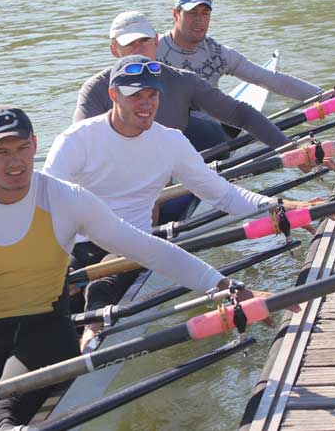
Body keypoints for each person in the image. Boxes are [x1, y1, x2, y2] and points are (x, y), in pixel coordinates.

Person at [0, 105, 257, 431]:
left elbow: (149, 249)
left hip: (46, 330)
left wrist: (225, 285)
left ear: (35, 145)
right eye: (1, 152)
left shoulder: (65, 198)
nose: (15, 162)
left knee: (5, 409)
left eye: (22, 148)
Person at [44, 55, 316, 351]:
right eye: (135, 96)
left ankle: (91, 332)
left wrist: (281, 207)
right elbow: (44, 211)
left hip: (134, 248)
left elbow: (224, 195)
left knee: (104, 283)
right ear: (113, 96)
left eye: (152, 95)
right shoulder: (75, 141)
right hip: (75, 248)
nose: (146, 104)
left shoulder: (170, 142)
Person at [73, 10, 291, 153]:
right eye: (130, 44)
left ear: (156, 41)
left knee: (214, 137)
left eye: (144, 41)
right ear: (114, 50)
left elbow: (241, 114)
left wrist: (291, 149)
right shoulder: (95, 90)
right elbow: (79, 148)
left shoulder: (182, 81)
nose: (139, 50)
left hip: (173, 167)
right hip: (119, 177)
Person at [157, 0, 335, 138]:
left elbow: (269, 79)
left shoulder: (218, 54)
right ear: (175, 14)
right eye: (192, 13)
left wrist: (327, 99)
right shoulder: (152, 48)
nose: (199, 20)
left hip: (206, 136)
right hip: (160, 132)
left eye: (205, 13)